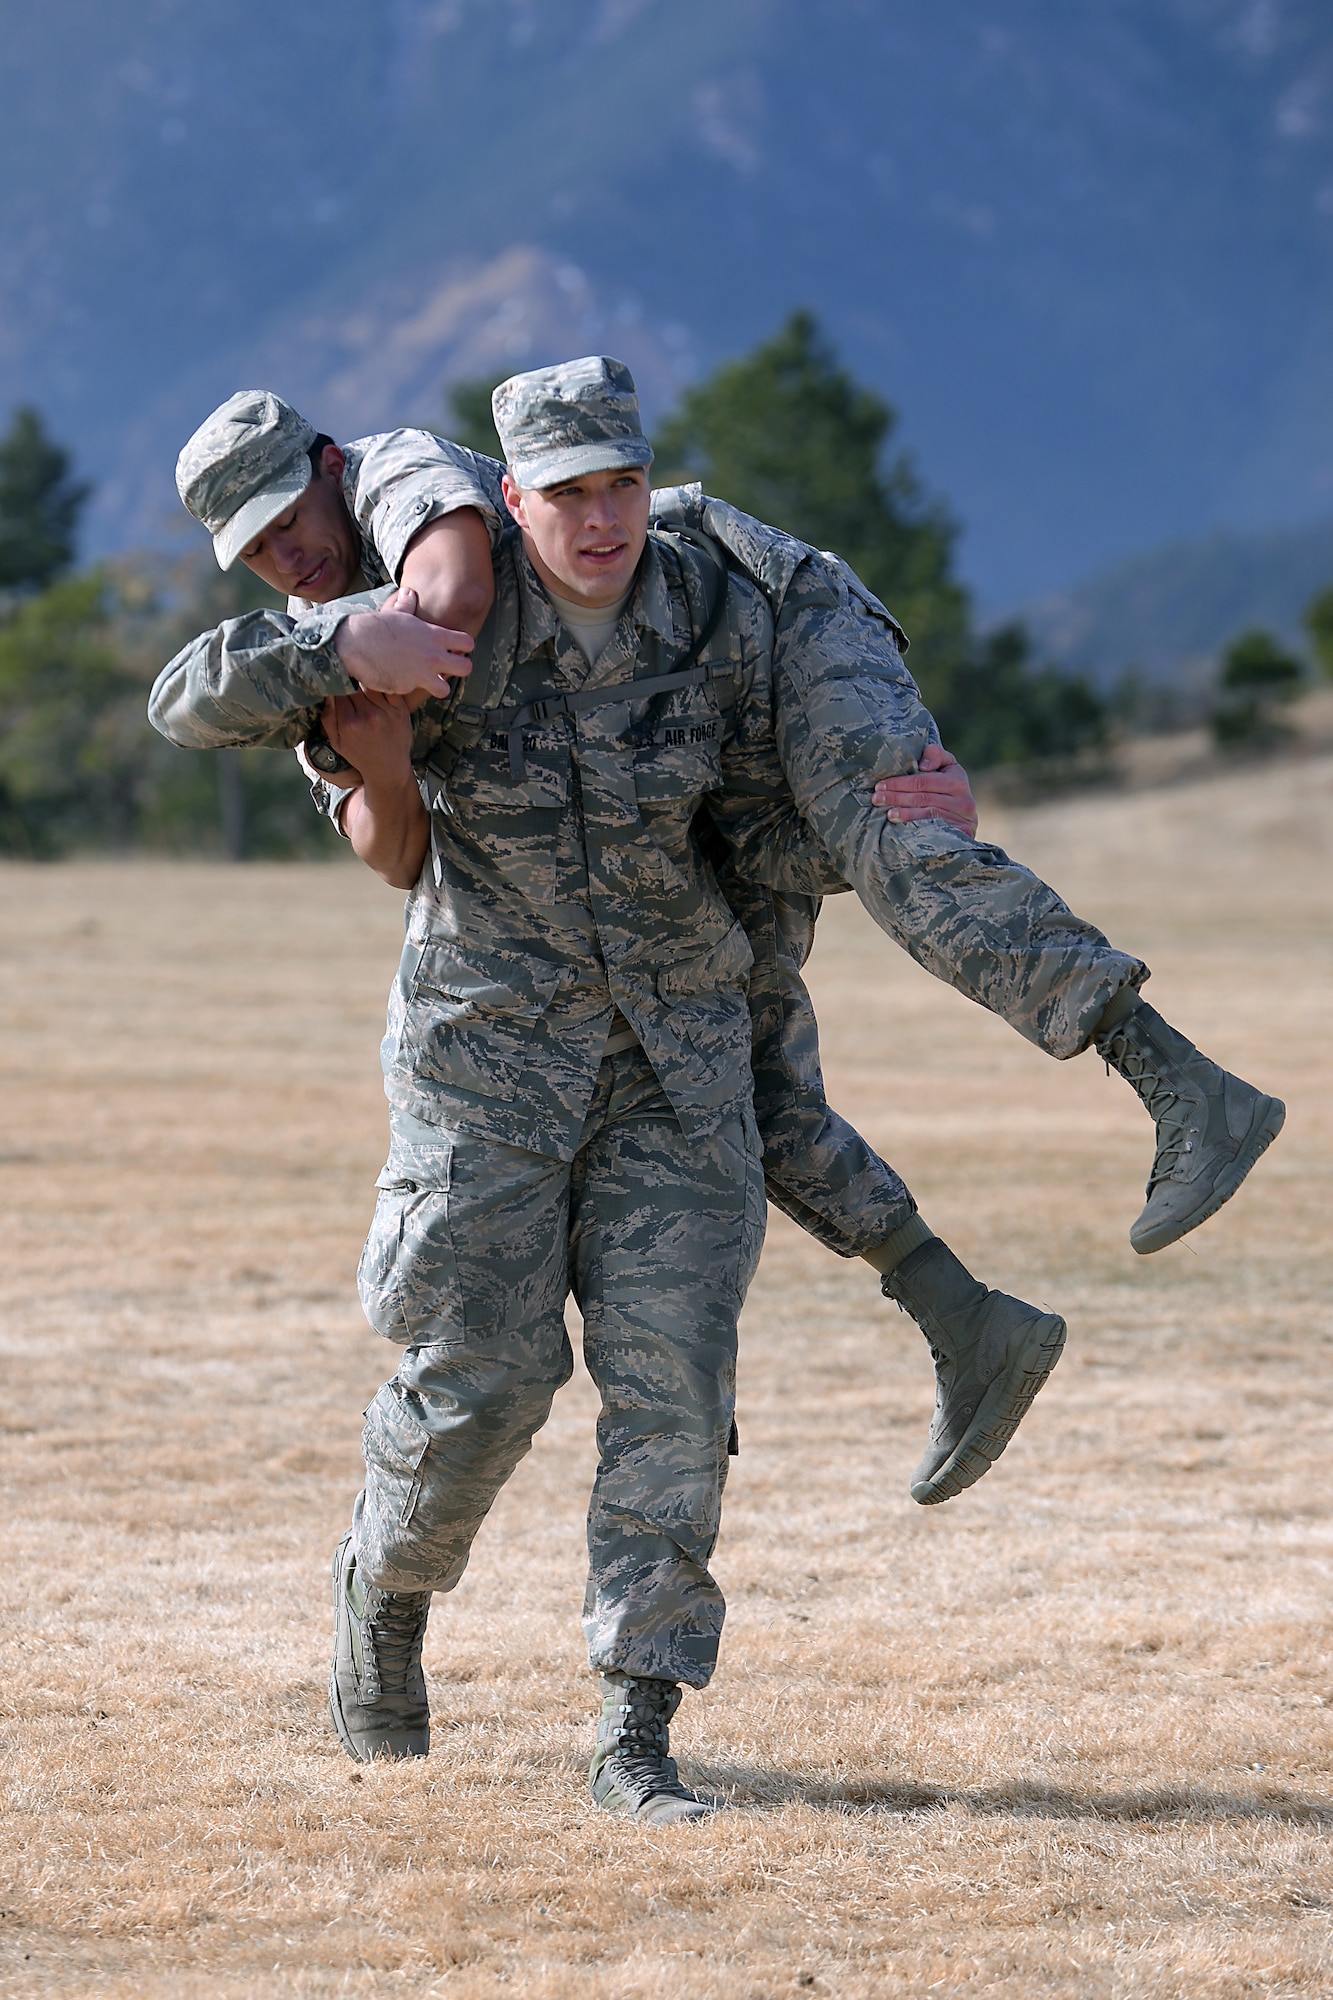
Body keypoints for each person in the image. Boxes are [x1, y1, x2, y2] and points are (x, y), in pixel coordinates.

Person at [155, 389, 1082, 1528]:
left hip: (673, 910)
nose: (284, 553)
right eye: (253, 548)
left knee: (733, 1140)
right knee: (746, 1113)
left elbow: (457, 589)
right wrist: (376, 732)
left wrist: (899, 819)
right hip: (540, 999)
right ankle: (963, 1314)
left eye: (286, 517)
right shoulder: (333, 638)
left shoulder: (409, 483)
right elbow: (382, 846)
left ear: (330, 467)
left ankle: (963, 1313)